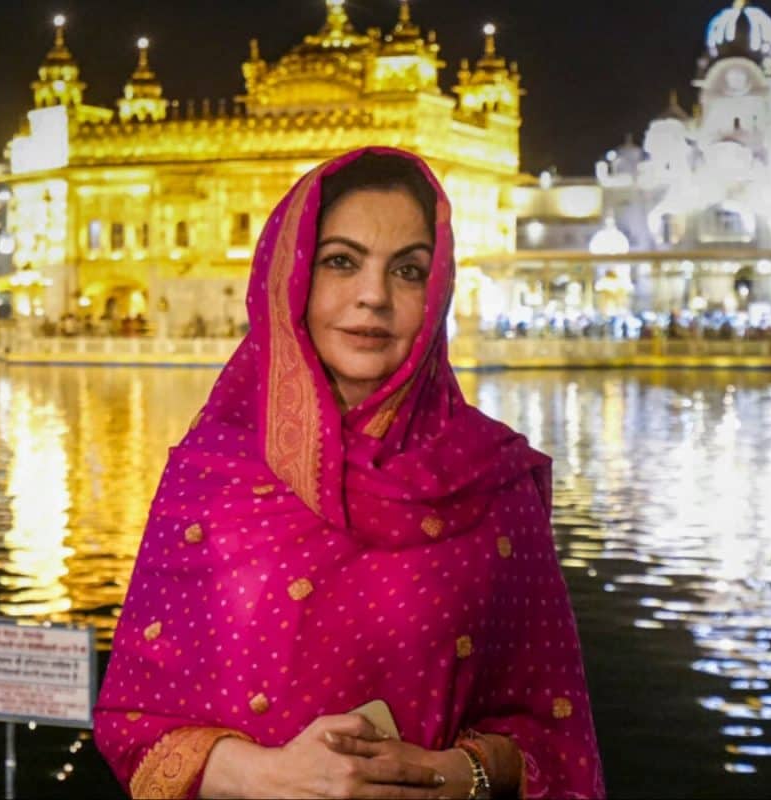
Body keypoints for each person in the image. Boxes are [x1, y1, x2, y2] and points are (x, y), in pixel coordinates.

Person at [94, 147, 604, 799]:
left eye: (409, 271)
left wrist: (462, 773)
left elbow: (555, 735)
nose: (373, 297)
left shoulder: (492, 482)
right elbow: (132, 729)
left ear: (438, 288)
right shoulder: (210, 475)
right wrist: (267, 777)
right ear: (292, 274)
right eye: (342, 261)